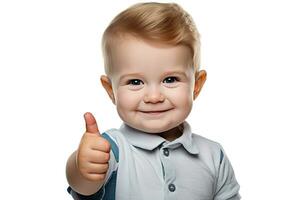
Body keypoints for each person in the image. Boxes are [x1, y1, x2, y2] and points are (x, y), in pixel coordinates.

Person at [66, 2, 240, 200]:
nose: (154, 97)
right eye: (135, 82)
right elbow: (84, 185)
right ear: (111, 90)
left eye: (170, 79)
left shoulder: (213, 155)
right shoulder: (112, 148)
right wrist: (81, 167)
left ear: (196, 85)